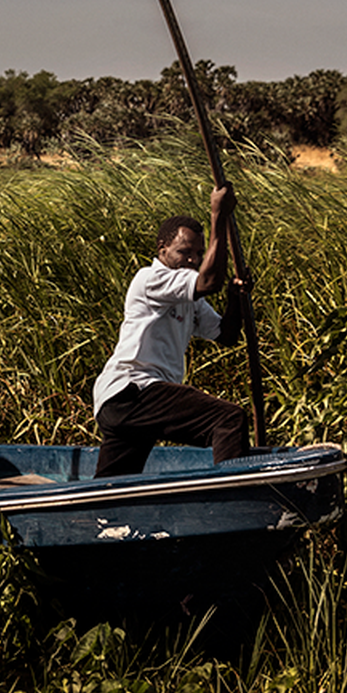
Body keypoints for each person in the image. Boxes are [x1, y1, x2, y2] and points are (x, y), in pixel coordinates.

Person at [91, 185, 248, 478]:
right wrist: (218, 216)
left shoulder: (189, 299)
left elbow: (226, 336)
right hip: (132, 390)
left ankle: (88, 518)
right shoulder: (151, 279)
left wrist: (235, 298)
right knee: (228, 419)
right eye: (184, 252)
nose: (192, 260)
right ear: (162, 250)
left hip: (128, 405)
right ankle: (233, 496)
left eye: (198, 254)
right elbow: (209, 280)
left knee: (112, 486)